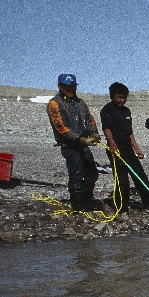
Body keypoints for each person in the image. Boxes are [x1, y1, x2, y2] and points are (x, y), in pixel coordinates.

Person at [47, 73, 103, 211]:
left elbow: (89, 119)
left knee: (92, 173)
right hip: (69, 145)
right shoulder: (55, 103)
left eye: (72, 87)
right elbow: (60, 126)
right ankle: (78, 206)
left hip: (82, 145)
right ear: (59, 86)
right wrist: (79, 138)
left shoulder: (80, 102)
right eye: (66, 87)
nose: (70, 89)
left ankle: (87, 198)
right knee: (76, 175)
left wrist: (94, 132)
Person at [99, 82, 149, 212]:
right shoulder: (107, 110)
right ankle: (121, 208)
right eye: (119, 97)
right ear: (112, 96)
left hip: (127, 149)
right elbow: (106, 129)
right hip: (115, 149)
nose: (122, 100)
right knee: (121, 179)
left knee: (140, 176)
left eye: (124, 97)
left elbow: (129, 132)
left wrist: (136, 148)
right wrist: (112, 144)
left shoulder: (126, 111)